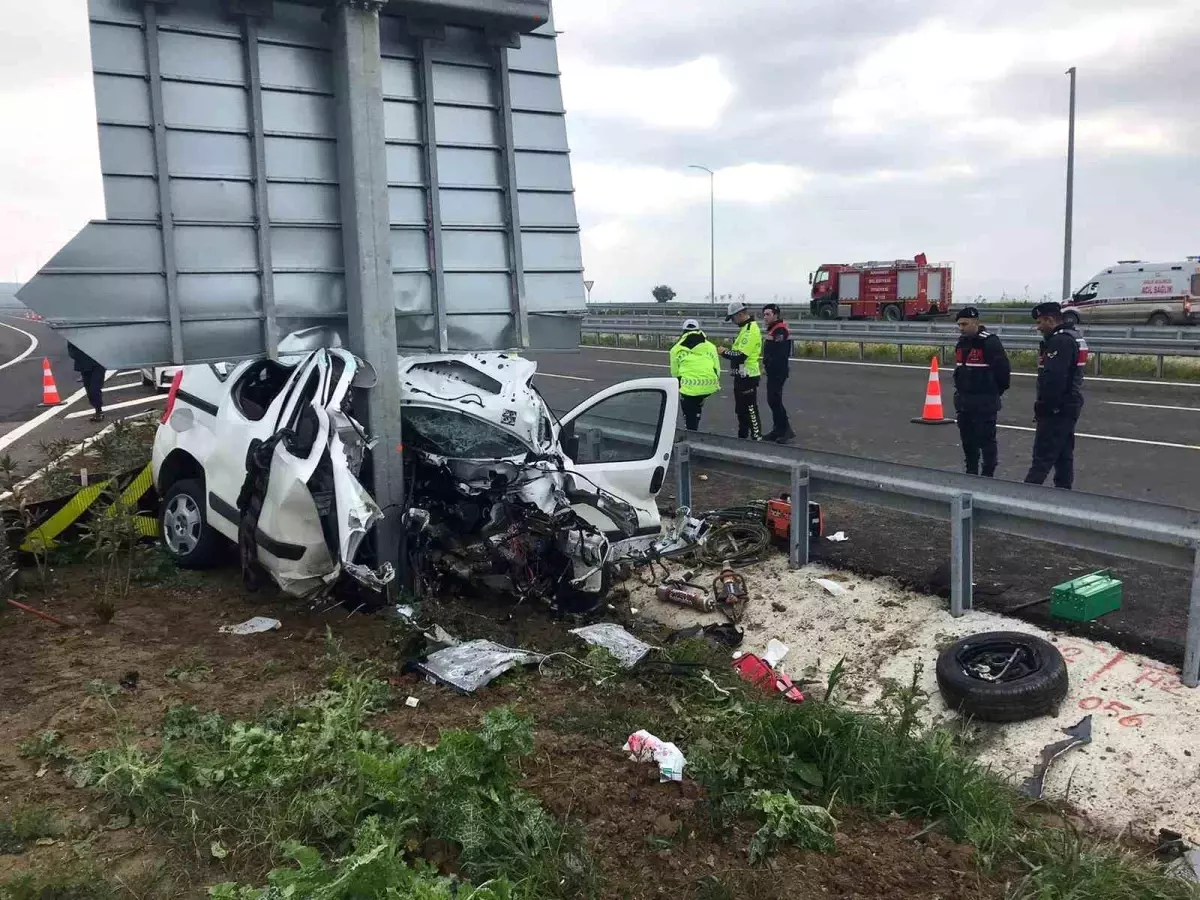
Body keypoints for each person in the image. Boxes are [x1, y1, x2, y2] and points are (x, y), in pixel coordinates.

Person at [1024, 301, 1087, 489]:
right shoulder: (1073, 336)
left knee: (1042, 457)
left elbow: (1054, 378)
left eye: (1040, 322)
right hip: (1070, 404)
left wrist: (1046, 406)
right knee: (1063, 455)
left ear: (1050, 320)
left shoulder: (1060, 341)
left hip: (1058, 407)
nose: (1038, 328)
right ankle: (1063, 496)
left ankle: (1023, 501)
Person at [952, 306, 1010, 477]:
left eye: (965, 324)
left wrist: (992, 393)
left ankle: (987, 475)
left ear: (975, 322)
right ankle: (971, 472)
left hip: (985, 402)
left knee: (986, 441)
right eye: (959, 325)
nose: (961, 328)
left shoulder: (989, 342)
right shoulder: (962, 343)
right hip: (965, 402)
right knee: (968, 442)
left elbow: (1003, 373)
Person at [717, 301, 763, 441]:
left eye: (733, 318)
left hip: (748, 375)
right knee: (741, 410)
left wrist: (724, 352)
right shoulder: (744, 329)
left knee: (750, 408)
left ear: (740, 314)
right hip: (740, 375)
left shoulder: (750, 330)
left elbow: (741, 355)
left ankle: (757, 436)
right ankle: (742, 436)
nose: (732, 321)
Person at [669, 318, 720, 431]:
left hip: (689, 387)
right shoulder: (711, 346)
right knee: (697, 403)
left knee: (689, 414)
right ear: (698, 330)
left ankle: (691, 431)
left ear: (683, 332)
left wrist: (680, 384)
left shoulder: (676, 349)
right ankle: (696, 416)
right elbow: (717, 368)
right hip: (709, 384)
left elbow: (675, 373)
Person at [761, 303, 795, 443]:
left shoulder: (780, 330)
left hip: (778, 371)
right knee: (773, 401)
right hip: (774, 371)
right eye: (764, 315)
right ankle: (778, 429)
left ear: (776, 315)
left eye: (768, 314)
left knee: (774, 401)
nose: (765, 317)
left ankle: (785, 430)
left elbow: (779, 354)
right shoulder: (774, 329)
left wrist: (769, 366)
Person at [67, 342, 105, 422]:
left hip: (98, 363)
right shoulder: (75, 335)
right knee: (88, 389)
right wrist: (78, 356)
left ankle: (99, 411)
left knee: (95, 388)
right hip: (83, 365)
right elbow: (71, 349)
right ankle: (96, 408)